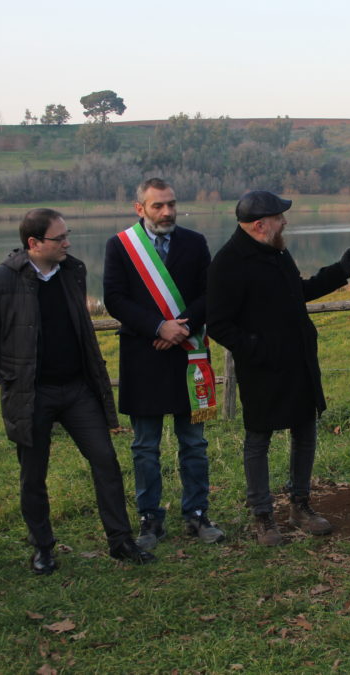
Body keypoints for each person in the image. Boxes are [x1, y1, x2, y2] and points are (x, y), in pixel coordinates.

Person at [0, 208, 154, 574]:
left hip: (76, 390)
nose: (67, 243)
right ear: (33, 244)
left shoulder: (74, 271)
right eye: (59, 238)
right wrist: (11, 378)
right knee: (33, 475)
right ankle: (43, 548)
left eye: (67, 235)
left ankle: (120, 541)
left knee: (105, 461)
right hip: (33, 395)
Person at [206, 191, 350, 546]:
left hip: (299, 361)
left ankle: (300, 506)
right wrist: (258, 350)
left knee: (305, 431)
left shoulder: (277, 251)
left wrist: (339, 271)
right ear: (260, 225)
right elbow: (218, 324)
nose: (285, 221)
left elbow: (298, 292)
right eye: (279, 217)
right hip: (262, 369)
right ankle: (263, 516)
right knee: (259, 438)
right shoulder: (228, 263)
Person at [103, 178, 224, 551]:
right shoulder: (121, 247)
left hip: (187, 353)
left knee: (194, 442)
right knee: (144, 446)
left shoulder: (195, 242)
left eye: (171, 204)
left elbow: (209, 293)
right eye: (158, 206)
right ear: (139, 208)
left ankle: (197, 514)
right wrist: (157, 327)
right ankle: (150, 519)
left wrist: (178, 327)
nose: (167, 212)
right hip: (144, 357)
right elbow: (115, 299)